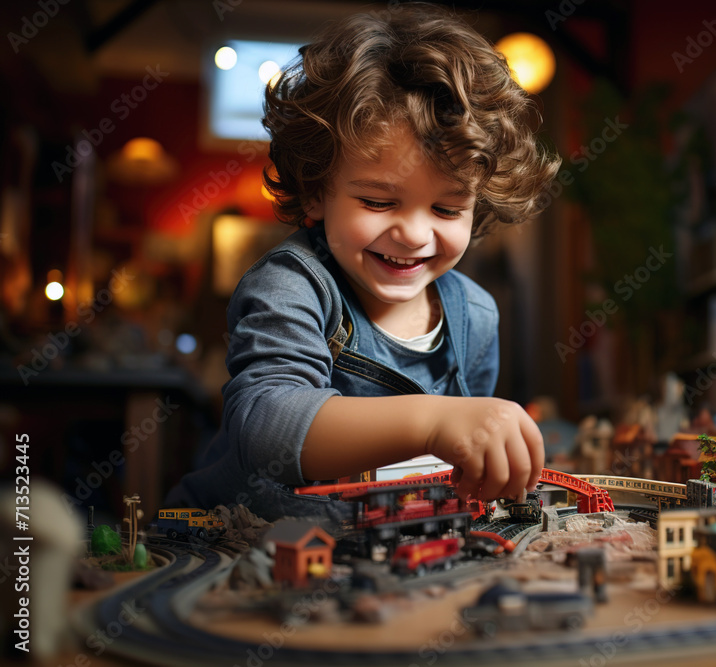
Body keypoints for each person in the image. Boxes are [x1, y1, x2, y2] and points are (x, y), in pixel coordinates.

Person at [166, 4, 560, 521]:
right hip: (230, 542)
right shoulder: (292, 285)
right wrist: (435, 421)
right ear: (315, 193)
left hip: (367, 552)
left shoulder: (477, 316)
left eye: (446, 208)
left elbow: (451, 465)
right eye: (378, 201)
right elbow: (264, 429)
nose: (415, 234)